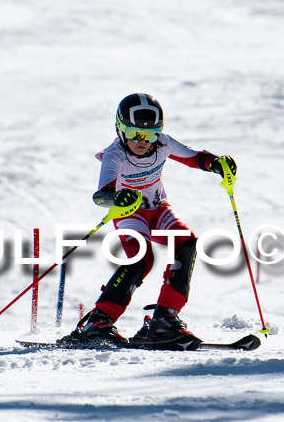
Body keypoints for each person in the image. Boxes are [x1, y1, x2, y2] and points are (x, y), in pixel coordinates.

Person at [70, 93, 236, 344]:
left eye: (149, 134)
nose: (142, 141)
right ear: (120, 129)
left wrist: (217, 164)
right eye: (135, 133)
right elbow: (101, 196)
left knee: (187, 243)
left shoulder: (163, 144)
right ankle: (99, 319)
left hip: (158, 209)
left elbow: (194, 157)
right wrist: (117, 199)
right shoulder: (115, 155)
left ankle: (165, 319)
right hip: (131, 214)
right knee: (141, 259)